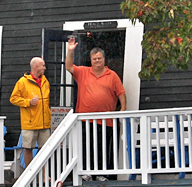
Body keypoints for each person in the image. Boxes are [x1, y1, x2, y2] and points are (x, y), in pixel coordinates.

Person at [65, 37, 126, 179]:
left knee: (102, 148)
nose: (97, 61)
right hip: (85, 119)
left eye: (99, 58)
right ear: (90, 60)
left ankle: (100, 174)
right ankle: (86, 173)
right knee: (86, 147)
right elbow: (68, 67)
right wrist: (70, 51)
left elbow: (121, 93)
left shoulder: (112, 75)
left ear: (104, 59)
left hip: (105, 120)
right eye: (94, 59)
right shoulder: (83, 72)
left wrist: (123, 109)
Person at [9, 56, 51, 169]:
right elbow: (13, 98)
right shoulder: (23, 82)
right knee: (28, 148)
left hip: (44, 122)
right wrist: (28, 102)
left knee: (45, 149)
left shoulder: (45, 81)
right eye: (43, 66)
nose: (45, 68)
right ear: (36, 66)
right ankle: (30, 174)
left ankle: (43, 175)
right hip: (30, 122)